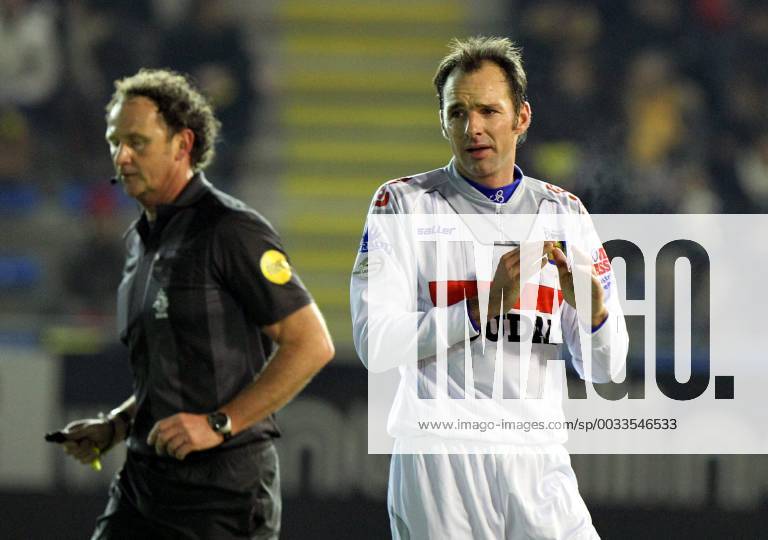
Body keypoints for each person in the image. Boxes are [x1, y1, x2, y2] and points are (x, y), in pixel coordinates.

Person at [350, 37, 628, 539]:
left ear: (521, 117)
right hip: (439, 461)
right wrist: (481, 307)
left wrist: (593, 311)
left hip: (538, 460)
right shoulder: (402, 204)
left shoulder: (564, 214)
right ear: (442, 122)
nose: (472, 127)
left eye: (487, 110)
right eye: (456, 113)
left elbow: (607, 367)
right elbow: (376, 345)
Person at [54, 68, 335, 539]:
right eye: (114, 141)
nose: (121, 156)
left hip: (222, 497)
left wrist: (219, 423)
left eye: (137, 142)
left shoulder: (230, 229)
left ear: (182, 145)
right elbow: (174, 370)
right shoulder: (141, 241)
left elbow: (311, 343)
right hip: (144, 484)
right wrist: (117, 425)